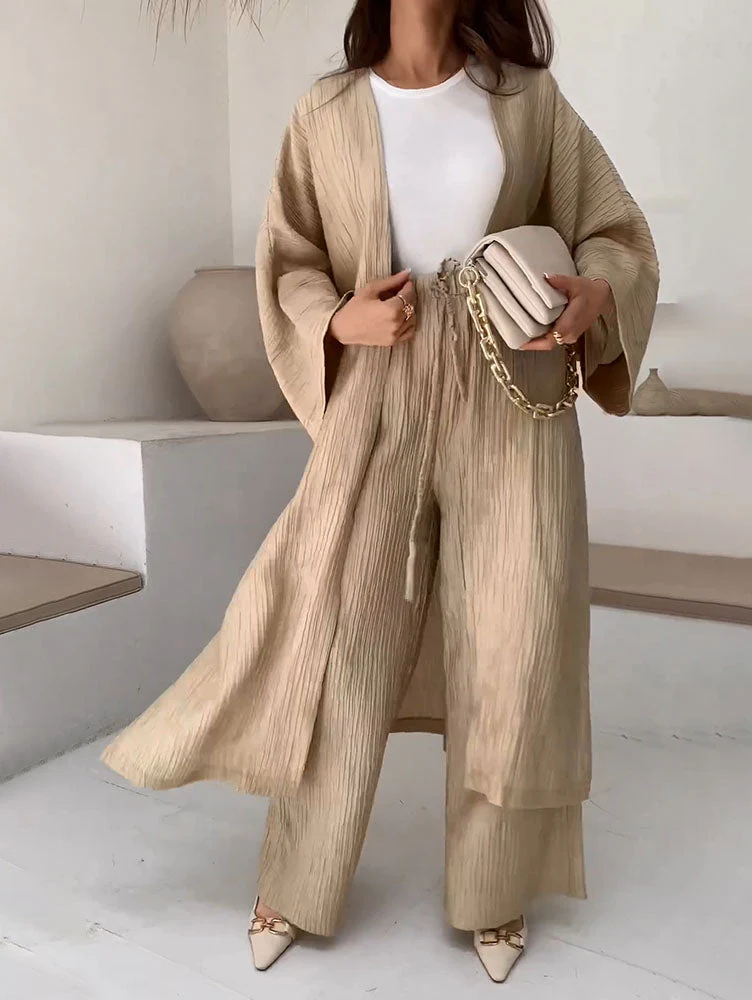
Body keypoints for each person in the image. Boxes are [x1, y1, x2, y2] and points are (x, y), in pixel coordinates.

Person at [103, 0, 658, 984]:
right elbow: (290, 259)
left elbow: (610, 231)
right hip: (380, 389)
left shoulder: (527, 101)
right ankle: (297, 880)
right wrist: (335, 319)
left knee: (514, 635)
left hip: (511, 394)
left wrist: (596, 293)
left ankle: (494, 886)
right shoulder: (325, 113)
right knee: (340, 635)